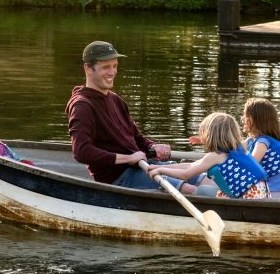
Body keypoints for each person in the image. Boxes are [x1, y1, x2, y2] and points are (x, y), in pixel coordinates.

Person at [65, 40, 199, 193]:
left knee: (199, 174)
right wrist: (128, 158)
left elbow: (136, 138)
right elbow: (81, 152)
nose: (112, 72)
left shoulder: (115, 100)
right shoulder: (82, 106)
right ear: (88, 68)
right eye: (106, 67)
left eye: (114, 66)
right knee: (188, 189)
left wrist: (152, 146)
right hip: (118, 178)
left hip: (141, 165)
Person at [149, 112, 270, 199]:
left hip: (249, 198)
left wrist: (160, 170)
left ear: (211, 135)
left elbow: (185, 174)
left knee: (202, 190)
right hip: (263, 192)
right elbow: (192, 165)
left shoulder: (216, 156)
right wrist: (160, 167)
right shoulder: (238, 149)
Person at [241, 98, 280, 197]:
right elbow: (234, 149)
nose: (242, 118)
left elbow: (251, 164)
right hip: (277, 187)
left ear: (256, 120)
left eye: (246, 115)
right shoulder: (253, 140)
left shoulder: (262, 142)